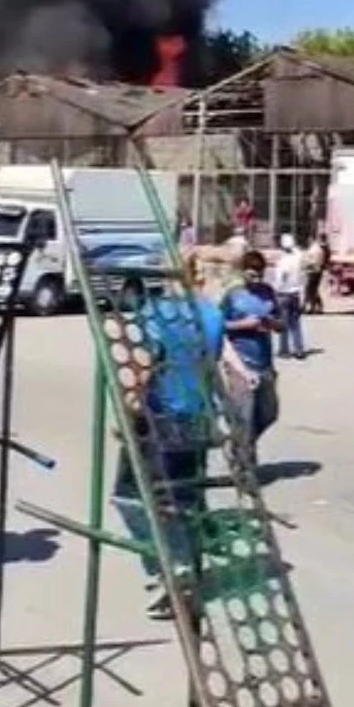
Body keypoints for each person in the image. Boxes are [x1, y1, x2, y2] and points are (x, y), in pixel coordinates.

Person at [111, 253, 248, 619]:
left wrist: (128, 412)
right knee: (185, 502)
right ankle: (182, 572)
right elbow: (214, 363)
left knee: (131, 497)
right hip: (198, 417)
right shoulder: (212, 314)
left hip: (160, 418)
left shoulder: (157, 313)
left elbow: (146, 365)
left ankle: (171, 569)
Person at [221, 249, 283, 453]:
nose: (256, 280)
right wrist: (243, 324)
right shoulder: (233, 295)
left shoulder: (268, 292)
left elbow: (282, 324)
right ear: (242, 272)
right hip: (240, 362)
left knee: (269, 413)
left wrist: (272, 323)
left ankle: (241, 443)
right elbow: (217, 325)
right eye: (252, 275)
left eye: (260, 275)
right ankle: (244, 459)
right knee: (244, 416)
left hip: (264, 362)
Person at [274, 232, 306, 359]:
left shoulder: (283, 260)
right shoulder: (298, 258)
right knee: (296, 324)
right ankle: (299, 350)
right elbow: (302, 277)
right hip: (296, 294)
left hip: (284, 293)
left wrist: (276, 289)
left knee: (284, 324)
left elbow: (281, 277)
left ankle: (284, 350)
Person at [303, 234, 326, 314]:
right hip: (314, 271)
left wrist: (307, 263)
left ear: (312, 240)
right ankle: (316, 307)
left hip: (314, 272)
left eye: (309, 240)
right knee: (313, 290)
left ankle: (312, 307)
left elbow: (315, 262)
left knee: (310, 290)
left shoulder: (315, 249)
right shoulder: (314, 248)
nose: (307, 241)